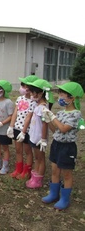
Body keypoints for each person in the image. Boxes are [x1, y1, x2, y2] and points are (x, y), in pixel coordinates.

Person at [41, 82, 84, 210]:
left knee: (67, 173)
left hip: (67, 147)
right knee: (55, 170)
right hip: (56, 144)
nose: (60, 97)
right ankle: (54, 193)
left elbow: (64, 128)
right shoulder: (60, 113)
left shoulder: (76, 114)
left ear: (72, 98)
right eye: (59, 93)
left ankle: (65, 198)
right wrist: (47, 120)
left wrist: (52, 116)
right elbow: (56, 130)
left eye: (63, 94)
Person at [23, 79, 52, 189]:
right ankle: (34, 176)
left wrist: (43, 139)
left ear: (40, 93)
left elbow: (45, 124)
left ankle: (38, 179)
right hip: (34, 136)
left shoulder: (43, 108)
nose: (31, 95)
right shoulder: (36, 105)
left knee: (41, 158)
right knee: (37, 158)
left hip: (40, 138)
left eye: (33, 93)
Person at [7, 75, 38, 179]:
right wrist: (11, 126)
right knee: (18, 150)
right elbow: (15, 112)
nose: (23, 88)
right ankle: (18, 169)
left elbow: (29, 118)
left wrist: (24, 132)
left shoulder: (34, 102)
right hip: (17, 127)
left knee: (28, 151)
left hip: (27, 130)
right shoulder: (20, 98)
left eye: (25, 86)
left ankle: (27, 171)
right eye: (22, 85)